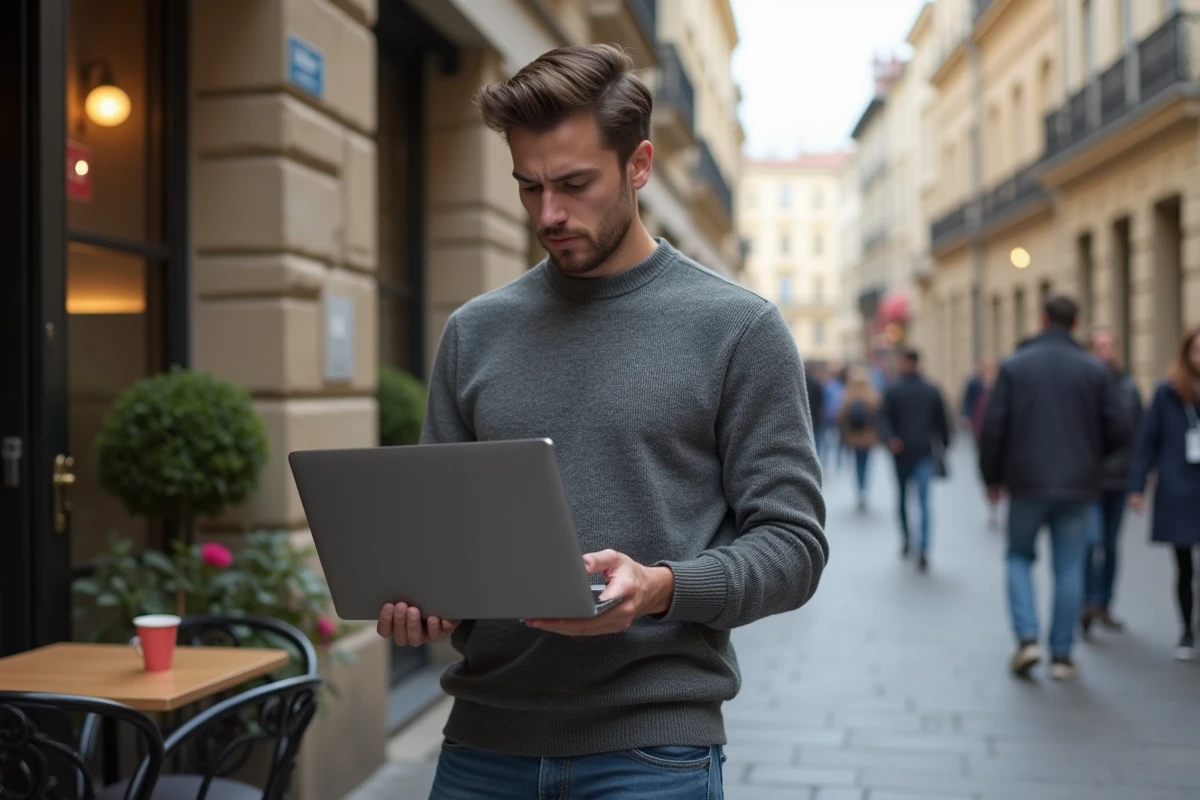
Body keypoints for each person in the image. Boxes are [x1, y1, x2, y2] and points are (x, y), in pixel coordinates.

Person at [373, 45, 829, 799]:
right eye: (529, 188)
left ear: (639, 164)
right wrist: (421, 603)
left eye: (574, 184)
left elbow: (794, 546)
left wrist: (659, 587)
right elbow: (444, 542)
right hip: (484, 744)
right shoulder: (476, 332)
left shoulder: (738, 329)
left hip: (652, 751)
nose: (548, 213)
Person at [979, 294, 1129, 680]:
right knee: (1069, 565)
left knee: (1018, 557)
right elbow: (1119, 429)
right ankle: (1062, 654)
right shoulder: (1094, 370)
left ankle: (1027, 638)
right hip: (1078, 485)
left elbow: (993, 428)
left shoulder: (1014, 366)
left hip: (1026, 482)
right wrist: (1091, 457)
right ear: (1076, 324)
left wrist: (991, 478)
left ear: (1043, 319)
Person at [1128, 325, 1200, 662]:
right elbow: (1148, 441)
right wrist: (1137, 486)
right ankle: (1187, 629)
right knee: (1184, 566)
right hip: (1180, 488)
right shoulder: (1167, 392)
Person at [1081, 327, 1143, 636]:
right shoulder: (1081, 385)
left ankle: (1104, 603)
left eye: (1111, 346)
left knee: (1111, 544)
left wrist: (1140, 477)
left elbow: (1139, 433)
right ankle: (1088, 601)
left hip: (1119, 478)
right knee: (1090, 542)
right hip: (1089, 480)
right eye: (1100, 346)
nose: (1107, 351)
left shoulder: (1128, 386)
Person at [879, 347, 951, 572]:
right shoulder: (931, 389)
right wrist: (945, 446)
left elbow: (883, 418)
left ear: (904, 362)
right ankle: (923, 546)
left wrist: (891, 439)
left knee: (903, 498)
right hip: (924, 452)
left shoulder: (894, 389)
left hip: (902, 453)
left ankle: (909, 540)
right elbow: (943, 422)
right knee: (923, 501)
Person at [838, 367, 882, 512]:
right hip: (868, 437)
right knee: (866, 464)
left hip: (853, 437)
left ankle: (859, 491)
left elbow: (840, 416)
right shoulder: (872, 395)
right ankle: (865, 490)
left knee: (857, 464)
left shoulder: (848, 395)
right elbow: (879, 416)